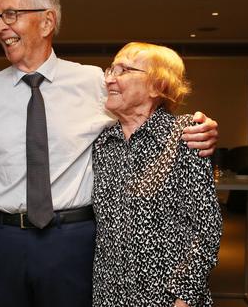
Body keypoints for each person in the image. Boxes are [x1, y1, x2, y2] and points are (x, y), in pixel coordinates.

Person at [0, 0, 219, 307]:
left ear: (46, 22)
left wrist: (205, 129)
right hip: (7, 239)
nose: (1, 26)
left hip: (72, 239)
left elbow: (147, 106)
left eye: (11, 14)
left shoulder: (93, 82)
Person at [91, 42, 222, 307]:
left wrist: (183, 297)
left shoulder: (185, 135)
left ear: (157, 86)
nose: (109, 79)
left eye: (123, 70)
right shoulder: (102, 142)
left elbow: (208, 228)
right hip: (109, 294)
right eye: (110, 70)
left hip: (166, 298)